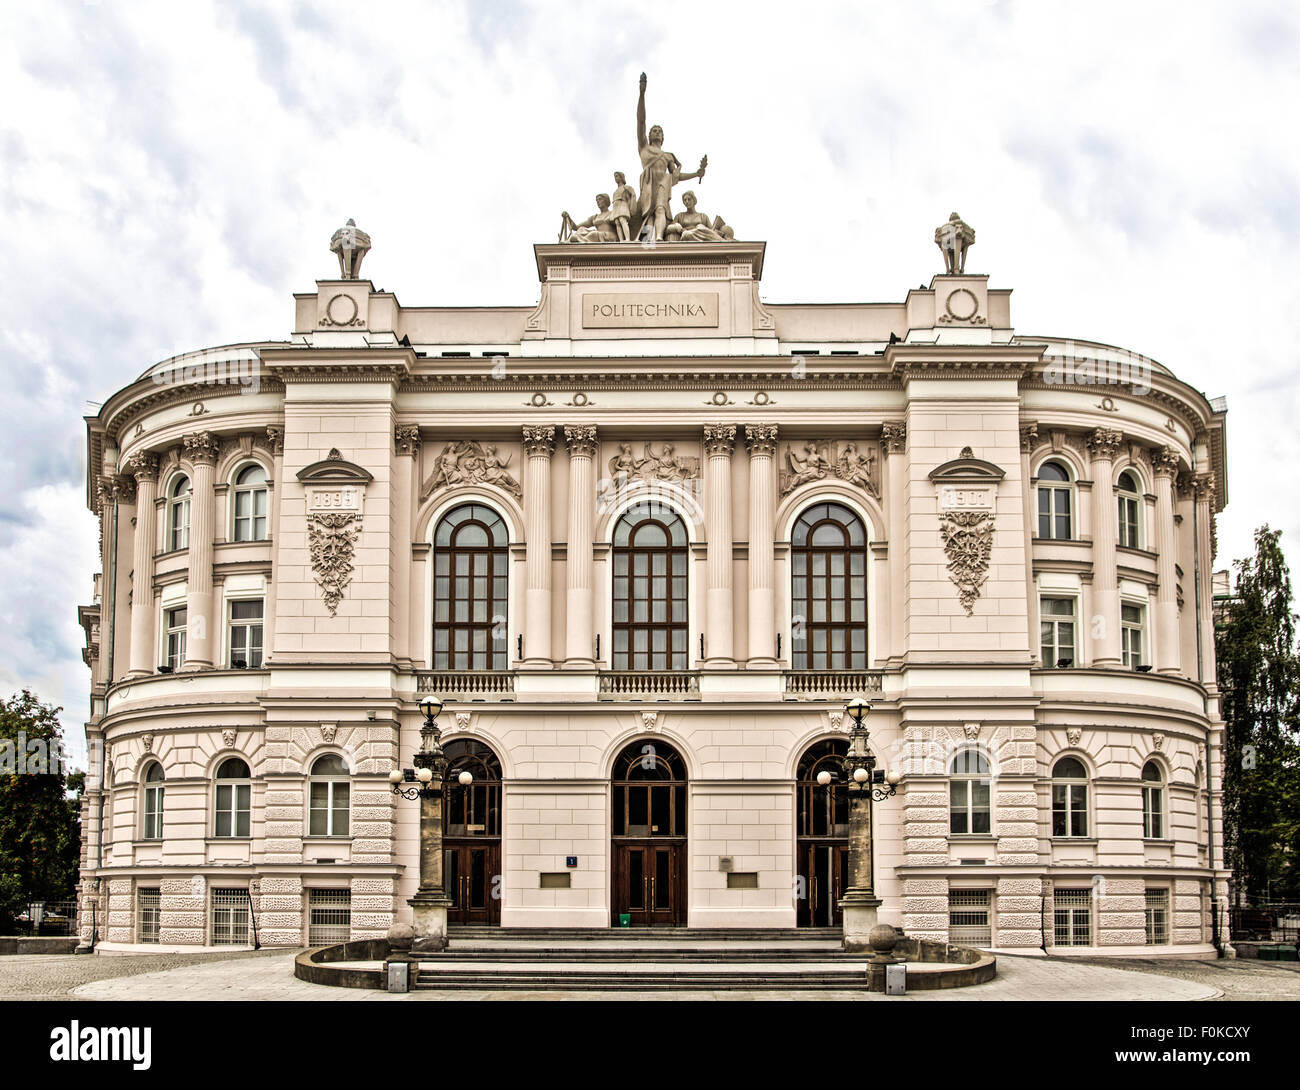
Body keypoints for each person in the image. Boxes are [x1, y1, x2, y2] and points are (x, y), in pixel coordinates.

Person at [636, 72, 707, 241]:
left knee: (660, 209)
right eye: (654, 130)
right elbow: (641, 121)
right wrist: (642, 94)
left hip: (662, 184)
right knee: (648, 216)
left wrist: (696, 174)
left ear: (663, 137)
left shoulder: (668, 156)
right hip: (647, 186)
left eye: (660, 131)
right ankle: (646, 243)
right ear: (649, 134)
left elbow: (676, 176)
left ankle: (659, 238)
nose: (657, 132)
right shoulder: (644, 148)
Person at [666, 190, 734, 242]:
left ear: (694, 200)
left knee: (700, 226)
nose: (687, 201)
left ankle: (721, 240)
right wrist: (676, 226)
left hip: (701, 235)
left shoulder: (703, 216)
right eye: (685, 200)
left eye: (689, 199)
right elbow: (668, 229)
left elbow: (710, 231)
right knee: (687, 234)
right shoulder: (679, 216)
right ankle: (721, 240)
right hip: (687, 236)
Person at [610, 172, 637, 242]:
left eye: (617, 176)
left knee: (622, 220)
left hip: (623, 204)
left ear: (621, 177)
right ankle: (621, 240)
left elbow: (633, 195)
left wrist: (631, 207)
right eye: (615, 177)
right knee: (617, 222)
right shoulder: (615, 191)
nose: (615, 178)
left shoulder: (627, 187)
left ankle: (627, 238)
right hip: (616, 206)